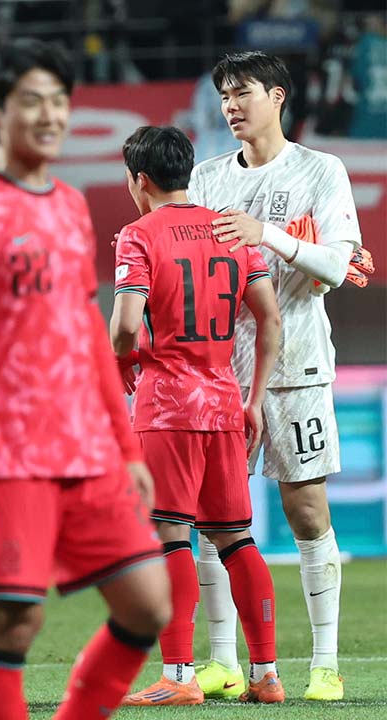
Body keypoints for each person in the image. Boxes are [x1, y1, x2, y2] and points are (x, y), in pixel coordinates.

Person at [0, 39, 171, 720]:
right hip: (6, 458)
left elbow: (88, 335)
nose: (50, 115)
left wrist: (125, 447)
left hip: (88, 450)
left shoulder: (68, 204)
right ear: (1, 112)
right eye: (33, 100)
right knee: (13, 624)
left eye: (60, 101)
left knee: (148, 602)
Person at [188, 50, 365, 703]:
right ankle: (224, 660)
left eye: (243, 93)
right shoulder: (206, 179)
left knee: (305, 506)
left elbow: (335, 267)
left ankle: (325, 664)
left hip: (296, 365)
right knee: (216, 518)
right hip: (220, 370)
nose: (232, 106)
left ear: (278, 96)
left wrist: (269, 234)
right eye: (225, 96)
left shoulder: (322, 171)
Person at [110, 126, 284, 705]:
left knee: (168, 536)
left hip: (167, 407)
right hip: (224, 401)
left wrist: (122, 363)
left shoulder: (137, 234)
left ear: (140, 179)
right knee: (237, 539)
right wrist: (253, 399)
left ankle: (180, 676)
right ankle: (265, 675)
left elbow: (126, 324)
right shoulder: (232, 230)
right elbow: (270, 320)